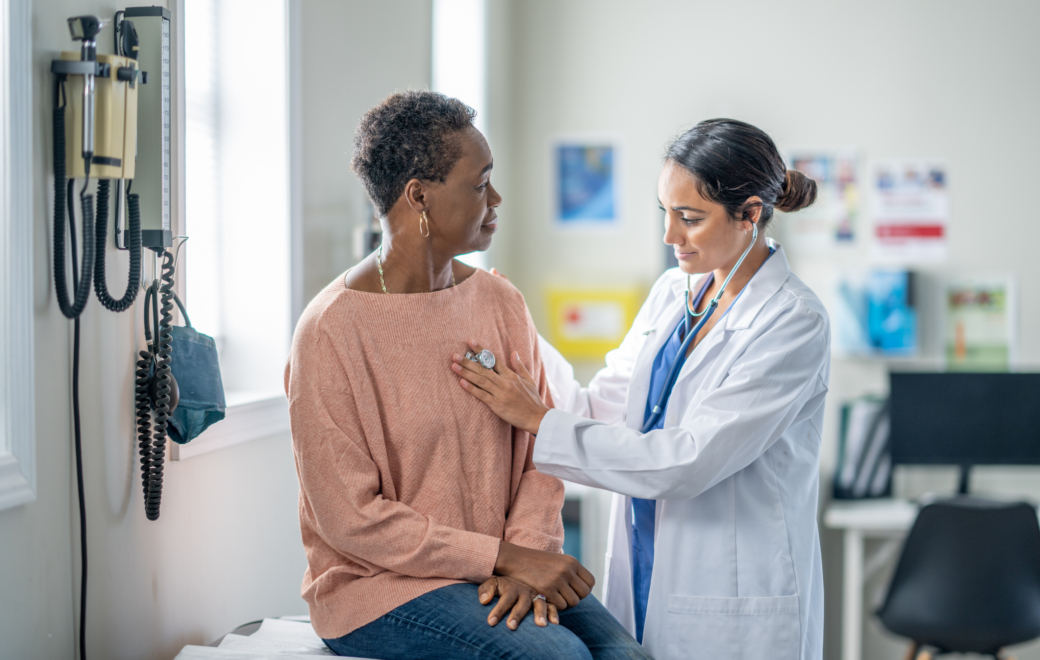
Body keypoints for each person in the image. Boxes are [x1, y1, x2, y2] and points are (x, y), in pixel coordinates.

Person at [285, 91, 651, 660]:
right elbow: (351, 520)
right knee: (559, 657)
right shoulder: (329, 332)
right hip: (380, 585)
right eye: (480, 185)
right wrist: (502, 558)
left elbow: (540, 450)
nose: (496, 198)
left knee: (627, 656)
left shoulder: (501, 302)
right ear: (419, 196)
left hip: (501, 564)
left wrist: (523, 558)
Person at [452, 119, 830, 660]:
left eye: (690, 218)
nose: (670, 236)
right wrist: (518, 325)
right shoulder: (673, 293)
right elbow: (595, 410)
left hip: (733, 593)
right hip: (645, 568)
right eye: (666, 213)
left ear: (750, 214)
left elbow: (688, 462)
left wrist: (537, 420)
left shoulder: (793, 320)